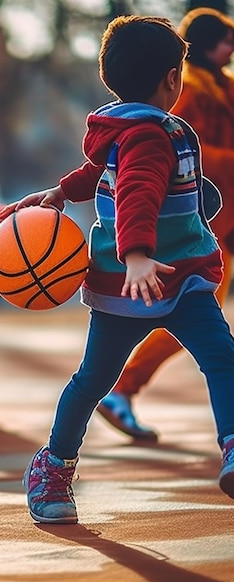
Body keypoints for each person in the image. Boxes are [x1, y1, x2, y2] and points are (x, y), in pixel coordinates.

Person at [0, 16, 234, 524]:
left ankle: (54, 469)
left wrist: (61, 191)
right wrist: (136, 254)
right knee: (221, 360)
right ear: (173, 79)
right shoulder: (150, 135)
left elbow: (97, 174)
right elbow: (135, 194)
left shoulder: (122, 126)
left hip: (161, 277)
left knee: (93, 381)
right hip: (149, 275)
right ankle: (52, 464)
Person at [97, 7, 234, 442]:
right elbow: (163, 167)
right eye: (226, 40)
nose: (232, 48)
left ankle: (121, 390)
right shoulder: (186, 95)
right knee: (199, 318)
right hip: (188, 229)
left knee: (204, 326)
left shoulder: (221, 87)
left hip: (211, 220)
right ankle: (121, 390)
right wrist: (135, 253)